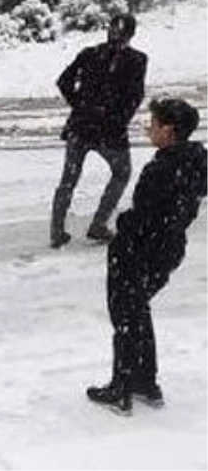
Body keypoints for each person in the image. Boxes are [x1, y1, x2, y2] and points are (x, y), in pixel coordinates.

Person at [86, 98, 208, 414]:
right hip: (168, 248)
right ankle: (143, 381)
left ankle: (122, 386)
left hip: (140, 248)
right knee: (138, 309)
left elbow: (145, 216)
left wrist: (123, 225)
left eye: (153, 124)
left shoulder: (163, 168)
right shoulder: (196, 161)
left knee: (126, 313)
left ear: (169, 130)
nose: (148, 128)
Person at [50, 13, 147, 248]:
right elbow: (135, 96)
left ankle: (57, 230)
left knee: (68, 179)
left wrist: (80, 105)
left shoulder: (89, 54)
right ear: (132, 34)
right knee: (122, 172)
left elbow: (64, 81)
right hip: (110, 131)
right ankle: (99, 223)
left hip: (80, 127)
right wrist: (119, 118)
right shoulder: (137, 60)